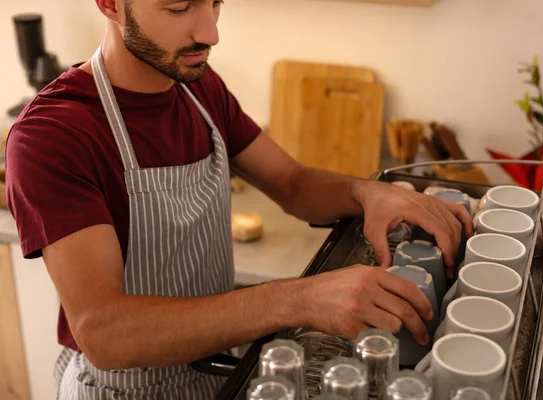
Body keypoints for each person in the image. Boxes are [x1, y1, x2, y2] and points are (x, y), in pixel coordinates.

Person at [5, 0, 472, 398]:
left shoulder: (199, 87)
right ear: (108, 3)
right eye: (178, 7)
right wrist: (299, 299)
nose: (210, 31)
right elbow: (105, 332)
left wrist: (367, 192)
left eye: (215, 2)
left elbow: (291, 183)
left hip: (214, 374)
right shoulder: (53, 136)